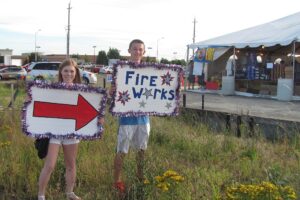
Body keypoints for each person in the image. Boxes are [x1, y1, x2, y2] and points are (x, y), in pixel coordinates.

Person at [37, 59, 104, 200]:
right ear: (61, 72)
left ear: (76, 73)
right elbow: (40, 105)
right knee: (49, 165)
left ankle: (69, 192)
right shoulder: (52, 89)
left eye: (72, 71)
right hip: (54, 132)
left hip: (72, 132)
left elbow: (92, 110)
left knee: (71, 164)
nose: (69, 73)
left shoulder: (82, 90)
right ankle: (41, 195)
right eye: (66, 70)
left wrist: (98, 118)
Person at [111, 39, 150, 194]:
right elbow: (113, 92)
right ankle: (117, 182)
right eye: (135, 49)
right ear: (129, 50)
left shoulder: (149, 70)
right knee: (122, 151)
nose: (137, 52)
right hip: (126, 119)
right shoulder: (121, 69)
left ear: (144, 52)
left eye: (140, 49)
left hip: (144, 118)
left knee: (142, 151)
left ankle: (140, 177)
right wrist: (112, 91)